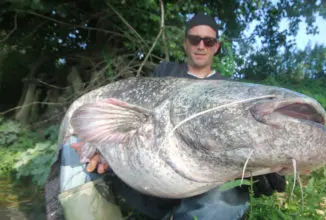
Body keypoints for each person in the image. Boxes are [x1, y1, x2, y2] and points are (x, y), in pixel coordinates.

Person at [57, 13, 286, 220]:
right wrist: (102, 144)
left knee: (222, 203)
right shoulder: (164, 74)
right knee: (74, 145)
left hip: (204, 188)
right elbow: (133, 119)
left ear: (217, 47)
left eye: (209, 41)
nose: (201, 46)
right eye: (195, 39)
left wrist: (260, 169)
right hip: (148, 179)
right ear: (186, 43)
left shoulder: (230, 89)